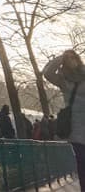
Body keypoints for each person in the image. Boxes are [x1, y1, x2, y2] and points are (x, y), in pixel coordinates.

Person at [43, 49, 85, 189]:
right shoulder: (63, 80)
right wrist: (61, 58)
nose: (72, 60)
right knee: (82, 161)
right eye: (69, 58)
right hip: (76, 127)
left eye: (74, 57)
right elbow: (47, 73)